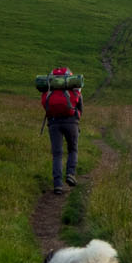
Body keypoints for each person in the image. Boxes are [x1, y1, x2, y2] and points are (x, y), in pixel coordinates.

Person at [41, 66, 83, 195]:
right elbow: (80, 107)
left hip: (53, 123)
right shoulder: (74, 89)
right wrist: (76, 119)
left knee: (57, 154)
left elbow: (45, 105)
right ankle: (70, 173)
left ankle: (58, 184)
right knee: (72, 149)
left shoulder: (49, 90)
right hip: (71, 123)